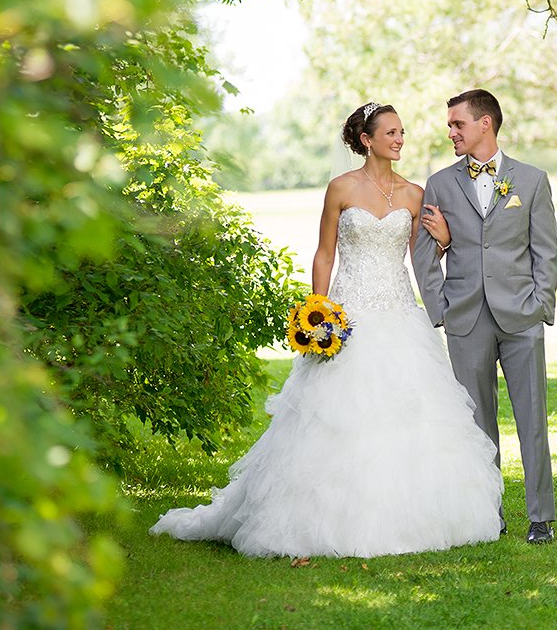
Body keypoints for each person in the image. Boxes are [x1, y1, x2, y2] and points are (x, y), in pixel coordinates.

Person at [149, 102, 502, 558]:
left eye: (402, 132)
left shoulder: (415, 194)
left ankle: (410, 518)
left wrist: (447, 242)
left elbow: (422, 259)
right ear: (367, 139)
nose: (400, 139)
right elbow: (324, 253)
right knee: (335, 418)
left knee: (410, 414)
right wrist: (320, 311)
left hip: (399, 316)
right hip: (348, 315)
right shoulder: (340, 188)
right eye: (391, 132)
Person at [411, 88, 557, 544]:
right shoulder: (439, 183)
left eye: (458, 123)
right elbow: (422, 253)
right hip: (466, 319)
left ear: (485, 125)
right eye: (450, 124)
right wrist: (441, 310)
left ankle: (540, 518)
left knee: (531, 419)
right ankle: (486, 514)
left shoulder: (531, 181)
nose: (450, 131)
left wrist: (540, 306)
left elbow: (545, 252)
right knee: (476, 425)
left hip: (521, 317)